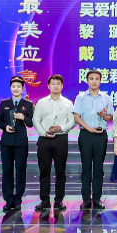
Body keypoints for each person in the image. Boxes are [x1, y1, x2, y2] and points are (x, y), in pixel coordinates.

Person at [73, 70, 114, 210]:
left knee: (98, 168)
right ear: (87, 80)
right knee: (86, 167)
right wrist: (89, 129)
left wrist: (104, 116)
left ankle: (97, 198)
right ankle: (85, 199)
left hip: (101, 136)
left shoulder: (106, 98)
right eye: (91, 79)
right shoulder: (81, 97)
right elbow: (76, 117)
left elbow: (111, 117)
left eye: (97, 79)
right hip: (86, 135)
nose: (94, 81)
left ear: (100, 81)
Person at [33, 74, 75, 212]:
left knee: (60, 171)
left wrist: (61, 128)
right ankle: (44, 200)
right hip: (44, 139)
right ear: (48, 86)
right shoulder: (41, 102)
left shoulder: (68, 103)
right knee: (44, 171)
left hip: (61, 139)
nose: (55, 86)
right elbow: (35, 119)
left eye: (58, 83)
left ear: (62, 86)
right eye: (53, 83)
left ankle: (59, 200)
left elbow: (73, 121)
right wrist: (43, 132)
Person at [0, 75, 34, 211]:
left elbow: (31, 123)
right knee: (7, 170)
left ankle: (18, 198)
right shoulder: (4, 103)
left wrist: (23, 117)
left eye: (18, 86)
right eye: (13, 86)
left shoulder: (28, 104)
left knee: (20, 170)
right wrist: (5, 127)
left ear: (23, 88)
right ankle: (8, 199)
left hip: (21, 142)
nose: (16, 89)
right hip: (6, 141)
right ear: (10, 88)